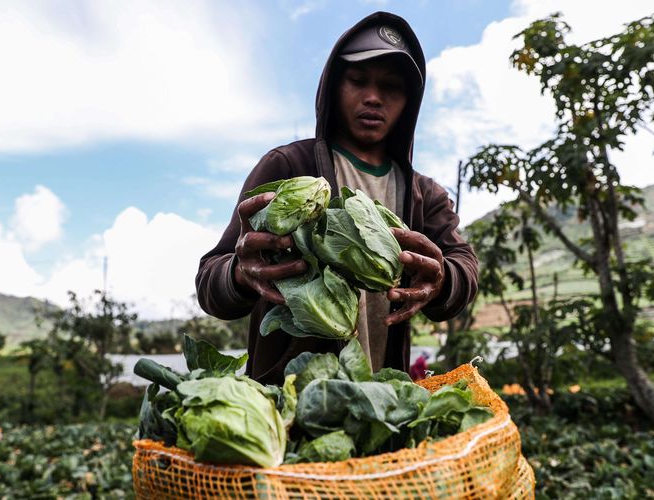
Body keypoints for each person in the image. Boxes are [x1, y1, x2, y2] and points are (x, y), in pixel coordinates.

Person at [196, 11, 478, 384]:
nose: (373, 98)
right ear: (333, 85)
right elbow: (210, 283)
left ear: (409, 102)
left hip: (383, 409)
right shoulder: (287, 167)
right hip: (291, 406)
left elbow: (464, 267)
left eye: (391, 88)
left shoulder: (424, 194)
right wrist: (238, 273)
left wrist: (444, 280)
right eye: (357, 80)